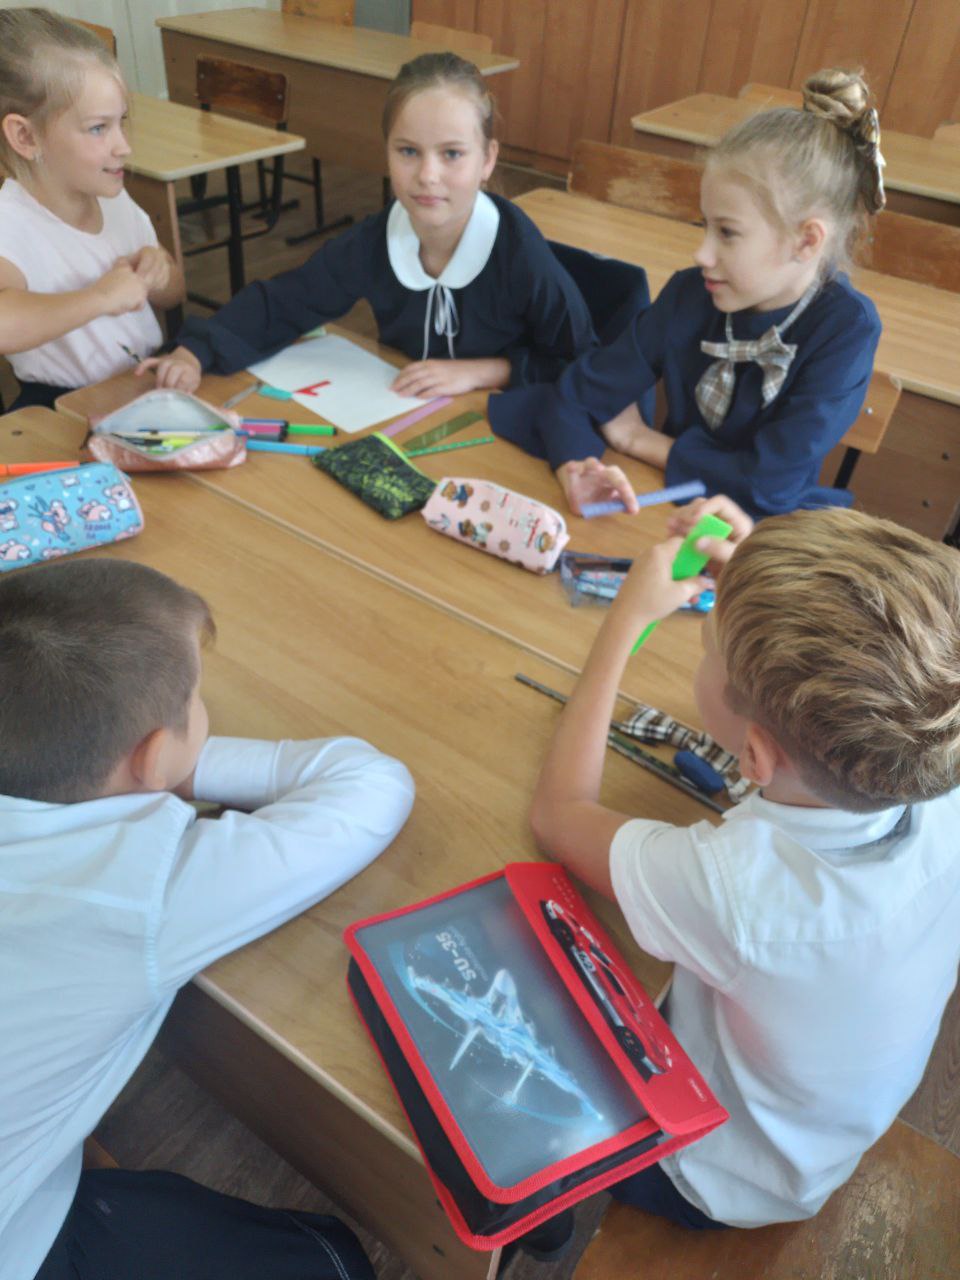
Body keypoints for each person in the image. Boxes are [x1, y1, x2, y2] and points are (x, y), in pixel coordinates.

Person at [528, 494, 960, 1229]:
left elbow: (557, 815)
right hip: (819, 1132)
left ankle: (545, 1209)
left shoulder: (739, 891)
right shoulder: (931, 755)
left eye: (707, 649)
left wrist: (625, 621)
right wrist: (769, 577)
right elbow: (863, 665)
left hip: (714, 1172)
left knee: (518, 984)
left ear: (755, 756)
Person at [0, 559, 414, 1280]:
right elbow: (372, 786)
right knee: (330, 1260)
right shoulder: (135, 897)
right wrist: (173, 775)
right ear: (154, 755)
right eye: (196, 702)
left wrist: (145, 767)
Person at [493, 68, 884, 520]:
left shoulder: (846, 329)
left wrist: (640, 441)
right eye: (705, 226)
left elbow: (769, 484)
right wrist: (573, 467)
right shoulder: (690, 293)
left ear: (807, 240)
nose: (702, 253)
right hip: (670, 503)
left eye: (727, 233)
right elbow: (578, 391)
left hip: (763, 533)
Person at [141, 51, 595, 398]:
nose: (428, 175)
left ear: (488, 159)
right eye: (408, 151)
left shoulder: (519, 253)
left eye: (452, 154)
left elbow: (582, 362)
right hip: (409, 412)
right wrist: (196, 350)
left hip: (504, 425)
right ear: (386, 151)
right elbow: (286, 302)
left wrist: (486, 371)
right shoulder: (379, 240)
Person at [0, 9, 184, 412]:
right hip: (61, 405)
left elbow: (175, 294)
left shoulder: (114, 199)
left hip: (141, 384)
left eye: (121, 122)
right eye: (99, 128)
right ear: (25, 136)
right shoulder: (10, 223)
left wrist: (160, 271)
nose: (124, 146)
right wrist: (98, 297)